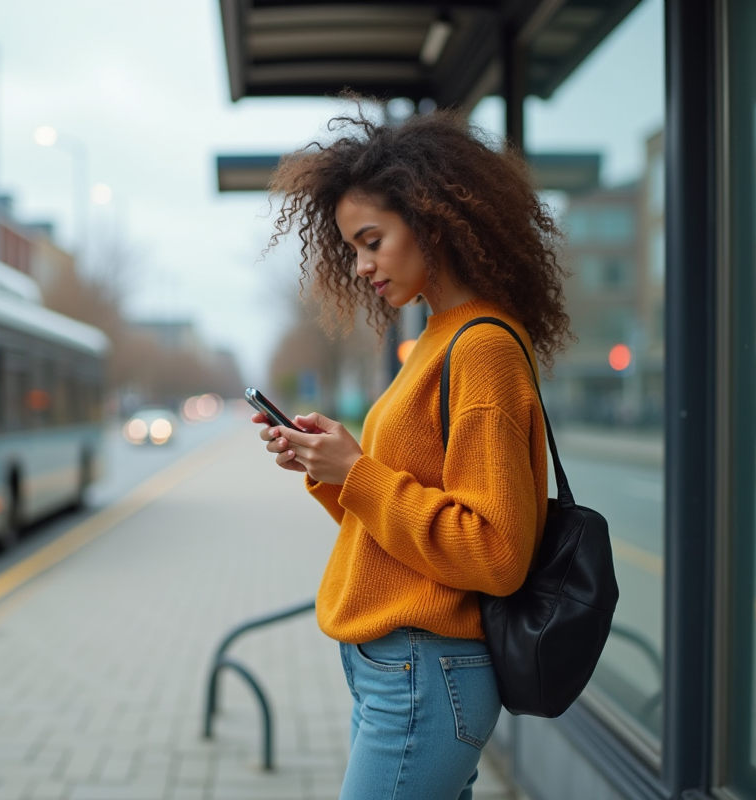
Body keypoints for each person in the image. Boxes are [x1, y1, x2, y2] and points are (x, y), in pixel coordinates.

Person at [251, 108, 572, 800]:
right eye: (351, 248)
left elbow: (494, 554)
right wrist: (330, 469)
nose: (362, 266)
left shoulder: (481, 347)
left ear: (434, 219)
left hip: (425, 675)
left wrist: (358, 471)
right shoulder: (434, 334)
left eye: (372, 241)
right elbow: (411, 536)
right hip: (397, 670)